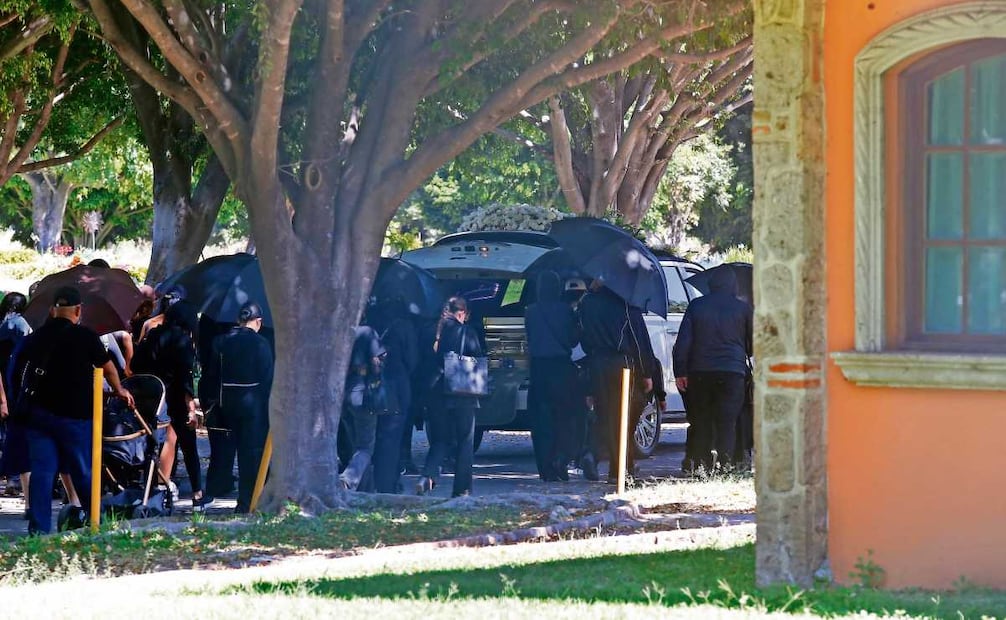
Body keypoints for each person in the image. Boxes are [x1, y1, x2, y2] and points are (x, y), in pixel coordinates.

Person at [7, 286, 134, 534]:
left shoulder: (35, 337)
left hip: (38, 415)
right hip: (76, 417)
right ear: (78, 310)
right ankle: (94, 521)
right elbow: (108, 368)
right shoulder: (86, 337)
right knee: (82, 470)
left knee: (43, 473)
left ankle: (39, 530)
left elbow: (17, 371)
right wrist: (119, 389)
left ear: (53, 310)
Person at [672, 267, 753, 473]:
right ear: (733, 285)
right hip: (732, 371)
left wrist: (680, 371)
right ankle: (725, 465)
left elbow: (683, 343)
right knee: (728, 421)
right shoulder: (743, 309)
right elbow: (753, 344)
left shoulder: (696, 306)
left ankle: (702, 465)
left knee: (702, 420)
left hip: (700, 371)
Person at [134, 301, 210, 509]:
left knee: (152, 446)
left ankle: (151, 492)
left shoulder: (152, 336)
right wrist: (191, 409)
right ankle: (197, 495)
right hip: (175, 398)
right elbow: (185, 376)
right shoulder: (183, 340)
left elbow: (135, 365)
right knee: (188, 447)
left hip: (151, 399)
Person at [577, 279, 655, 483]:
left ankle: (594, 454)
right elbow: (639, 342)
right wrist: (647, 372)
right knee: (623, 416)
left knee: (603, 413)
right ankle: (619, 469)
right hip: (622, 364)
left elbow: (583, 336)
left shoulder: (587, 303)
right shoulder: (627, 305)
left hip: (596, 362)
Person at [204, 303, 273, 512]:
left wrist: (209, 403)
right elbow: (268, 378)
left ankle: (215, 488)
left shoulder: (220, 341)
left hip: (225, 405)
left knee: (222, 452)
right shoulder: (261, 343)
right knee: (249, 454)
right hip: (253, 407)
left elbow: (210, 375)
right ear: (258, 322)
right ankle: (247, 502)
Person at [416, 296, 483, 498]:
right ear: (461, 313)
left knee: (439, 440)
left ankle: (426, 476)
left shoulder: (430, 332)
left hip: (436, 392)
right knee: (465, 440)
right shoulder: (467, 331)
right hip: (462, 392)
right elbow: (478, 357)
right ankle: (462, 490)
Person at [524, 271, 579, 482]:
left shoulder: (530, 312)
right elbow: (573, 340)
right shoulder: (566, 311)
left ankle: (545, 468)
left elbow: (530, 338)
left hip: (538, 369)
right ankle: (561, 458)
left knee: (540, 420)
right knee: (564, 418)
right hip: (561, 367)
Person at [367, 300, 418, 494]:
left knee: (374, 436)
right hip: (398, 383)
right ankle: (388, 483)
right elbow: (413, 359)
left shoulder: (370, 323)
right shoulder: (404, 326)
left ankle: (372, 481)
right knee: (393, 436)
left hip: (373, 383)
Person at [0, 292, 31, 504]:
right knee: (16, 434)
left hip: (3, 384)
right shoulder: (21, 325)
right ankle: (13, 479)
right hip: (13, 386)